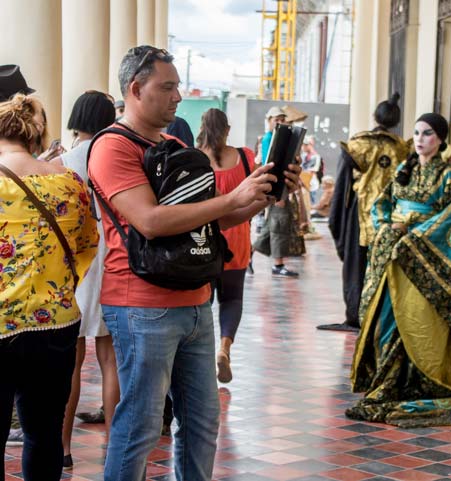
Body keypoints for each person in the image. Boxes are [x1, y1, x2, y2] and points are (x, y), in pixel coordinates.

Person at [87, 45, 298, 481]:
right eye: (168, 87)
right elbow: (149, 221)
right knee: (141, 427)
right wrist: (232, 196)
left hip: (196, 301)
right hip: (142, 304)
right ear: (135, 89)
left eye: (178, 86)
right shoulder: (112, 147)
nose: (178, 96)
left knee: (203, 424)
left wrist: (259, 195)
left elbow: (214, 217)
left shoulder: (176, 145)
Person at [346, 113, 451, 427]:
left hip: (420, 260)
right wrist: (384, 230)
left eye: (429, 134)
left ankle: (417, 380)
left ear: (442, 139)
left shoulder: (447, 176)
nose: (420, 139)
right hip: (394, 258)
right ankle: (389, 378)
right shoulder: (403, 170)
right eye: (417, 132)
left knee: (417, 321)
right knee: (386, 320)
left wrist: (412, 237)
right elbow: (380, 204)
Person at [0, 94, 98, 480]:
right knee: (44, 436)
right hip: (55, 326)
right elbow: (87, 245)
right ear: (38, 136)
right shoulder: (68, 183)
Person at [54, 91, 119, 469]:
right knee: (110, 360)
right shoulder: (118, 153)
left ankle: (63, 449)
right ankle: (114, 444)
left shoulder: (63, 162)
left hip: (77, 262)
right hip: (114, 260)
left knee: (72, 363)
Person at [322, 93, 408, 332]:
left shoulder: (358, 145)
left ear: (374, 117)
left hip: (358, 215)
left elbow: (342, 185)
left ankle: (356, 315)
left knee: (356, 265)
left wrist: (336, 218)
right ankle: (382, 315)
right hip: (391, 216)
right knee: (386, 264)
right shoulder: (401, 148)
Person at [196, 108, 253, 384]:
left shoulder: (195, 159)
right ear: (227, 130)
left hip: (205, 239)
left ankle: (202, 355)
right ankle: (224, 349)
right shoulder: (244, 157)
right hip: (238, 236)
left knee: (202, 302)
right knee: (232, 298)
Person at [254, 106, 303, 277]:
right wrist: (278, 194)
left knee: (270, 227)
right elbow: (271, 165)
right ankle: (278, 264)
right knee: (278, 225)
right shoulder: (269, 139)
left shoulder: (280, 138)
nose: (280, 122)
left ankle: (248, 256)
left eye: (283, 119)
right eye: (276, 120)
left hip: (281, 187)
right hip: (276, 188)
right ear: (269, 122)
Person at [300, 136, 322, 203]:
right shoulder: (303, 155)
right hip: (302, 185)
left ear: (309, 145)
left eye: (304, 145)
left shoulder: (316, 157)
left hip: (311, 185)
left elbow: (312, 171)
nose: (302, 147)